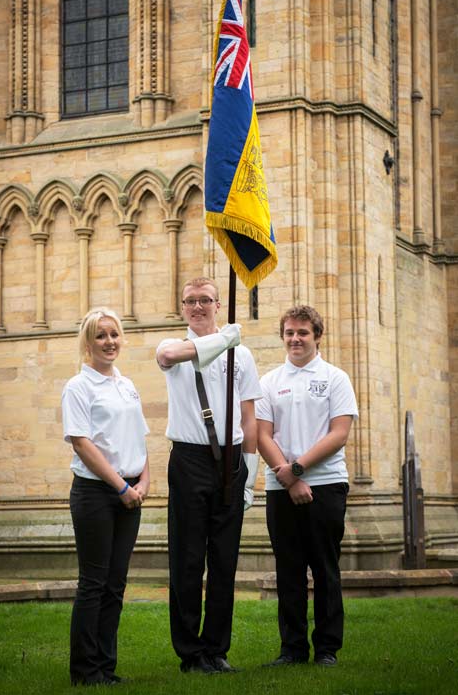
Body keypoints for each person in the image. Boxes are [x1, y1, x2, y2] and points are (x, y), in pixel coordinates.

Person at [156, 277, 261, 674]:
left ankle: (216, 650)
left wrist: (249, 478)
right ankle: (189, 652)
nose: (198, 307)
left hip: (230, 462)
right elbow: (176, 355)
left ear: (219, 304)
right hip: (188, 461)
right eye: (190, 301)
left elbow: (249, 418)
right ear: (183, 307)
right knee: (186, 559)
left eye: (206, 300)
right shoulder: (169, 347)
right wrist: (226, 339)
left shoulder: (243, 357)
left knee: (224, 560)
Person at [256, 305, 358, 668]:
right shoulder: (268, 381)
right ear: (282, 336)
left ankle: (327, 649)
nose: (295, 339)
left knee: (325, 568)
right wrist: (287, 477)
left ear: (317, 335)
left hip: (326, 484)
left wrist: (298, 469)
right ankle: (292, 650)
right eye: (289, 333)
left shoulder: (335, 378)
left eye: (303, 332)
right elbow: (261, 434)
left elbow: (340, 432)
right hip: (279, 485)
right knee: (289, 569)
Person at [62, 307, 150, 686]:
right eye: (101, 335)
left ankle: (106, 668)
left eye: (114, 334)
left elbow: (140, 439)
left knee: (116, 584)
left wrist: (144, 482)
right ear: (88, 342)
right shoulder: (78, 387)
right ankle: (85, 670)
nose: (109, 342)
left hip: (131, 493)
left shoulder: (126, 384)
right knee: (94, 583)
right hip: (97, 494)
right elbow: (82, 443)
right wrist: (121, 486)